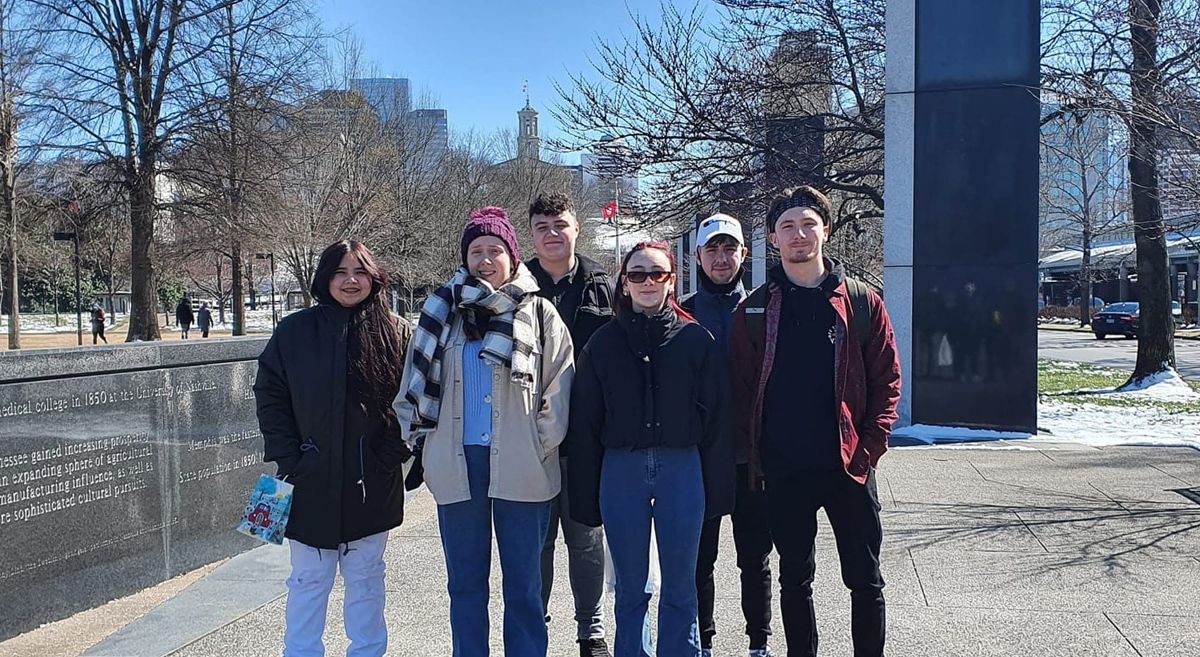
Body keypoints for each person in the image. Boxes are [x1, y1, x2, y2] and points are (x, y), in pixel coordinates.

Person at [394, 207, 575, 657]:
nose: (486, 259)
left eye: (496, 250)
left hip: (522, 464)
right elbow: (411, 386)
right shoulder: (442, 312)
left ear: (513, 256)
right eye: (477, 251)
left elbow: (560, 387)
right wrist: (425, 446)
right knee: (465, 585)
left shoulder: (540, 312)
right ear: (465, 258)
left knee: (525, 586)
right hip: (458, 465)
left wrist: (538, 443)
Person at [729, 186, 901, 657]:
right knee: (794, 579)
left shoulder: (861, 302)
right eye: (787, 226)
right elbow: (740, 390)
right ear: (772, 238)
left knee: (865, 579)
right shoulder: (755, 310)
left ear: (826, 230)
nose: (799, 234)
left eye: (808, 224)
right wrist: (757, 458)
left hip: (848, 465)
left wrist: (868, 451)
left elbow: (887, 380)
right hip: (784, 470)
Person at [567, 241, 733, 657]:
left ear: (671, 281)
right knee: (630, 587)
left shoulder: (696, 339)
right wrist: (583, 497)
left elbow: (717, 417)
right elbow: (585, 423)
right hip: (622, 470)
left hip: (682, 467)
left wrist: (718, 489)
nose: (647, 282)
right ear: (624, 282)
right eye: (637, 274)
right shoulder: (602, 344)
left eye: (657, 273)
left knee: (681, 586)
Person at [254, 240, 413, 657]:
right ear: (325, 278)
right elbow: (270, 394)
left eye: (360, 272)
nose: (350, 281)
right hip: (308, 481)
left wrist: (388, 457)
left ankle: (368, 651)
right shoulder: (294, 331)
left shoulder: (396, 332)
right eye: (340, 272)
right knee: (307, 580)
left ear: (374, 278)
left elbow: (413, 401)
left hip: (371, 484)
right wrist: (291, 458)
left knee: (366, 580)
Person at [525, 192, 614, 657]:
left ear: (577, 228)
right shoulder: (515, 287)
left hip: (586, 439)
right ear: (531, 234)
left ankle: (590, 631)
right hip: (530, 439)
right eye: (542, 226)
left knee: (586, 540)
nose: (552, 233)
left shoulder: (604, 285)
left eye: (560, 224)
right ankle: (533, 627)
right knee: (535, 544)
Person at [682, 214, 774, 657]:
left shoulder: (764, 308)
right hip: (699, 459)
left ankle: (759, 642)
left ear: (744, 253)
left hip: (751, 459)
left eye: (729, 248)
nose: (721, 258)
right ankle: (703, 641)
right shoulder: (681, 311)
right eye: (712, 249)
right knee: (699, 561)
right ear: (697, 256)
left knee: (755, 557)